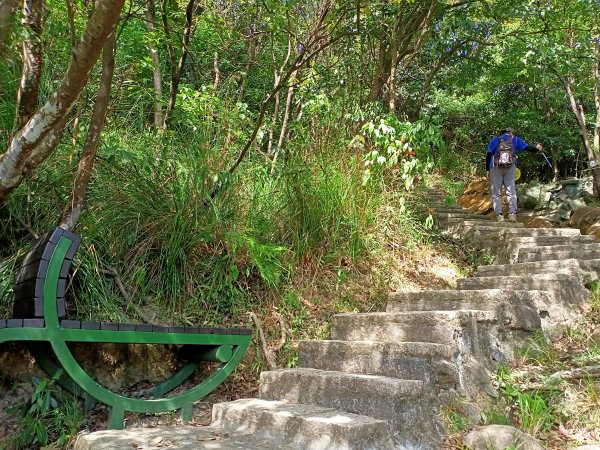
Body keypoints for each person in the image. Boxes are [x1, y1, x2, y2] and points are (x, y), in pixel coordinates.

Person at [486, 128, 542, 222]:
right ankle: (512, 214)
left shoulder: (495, 139)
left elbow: (488, 154)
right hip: (510, 167)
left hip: (495, 167)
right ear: (511, 133)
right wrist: (537, 149)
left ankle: (499, 216)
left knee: (496, 193)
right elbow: (528, 148)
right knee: (511, 191)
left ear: (502, 133)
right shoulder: (515, 139)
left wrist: (487, 169)